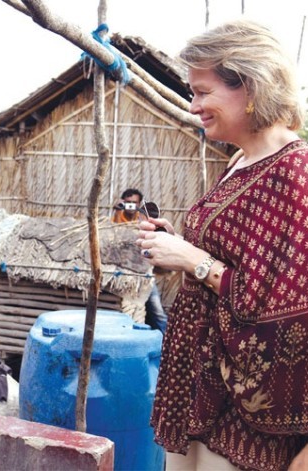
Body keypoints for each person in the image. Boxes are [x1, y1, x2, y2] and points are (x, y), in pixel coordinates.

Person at [136, 20, 308, 471]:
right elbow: (235, 256)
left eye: (203, 91)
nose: (193, 106)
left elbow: (284, 308)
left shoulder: (292, 173)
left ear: (249, 86)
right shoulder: (239, 159)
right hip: (198, 379)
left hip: (243, 404)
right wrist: (179, 245)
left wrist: (193, 261)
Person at [112, 188, 167, 333]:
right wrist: (117, 211)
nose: (131, 206)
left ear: (139, 204)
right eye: (127, 203)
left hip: (144, 275)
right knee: (126, 312)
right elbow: (113, 235)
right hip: (123, 275)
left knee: (158, 312)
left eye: (134, 203)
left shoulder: (144, 219)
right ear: (123, 202)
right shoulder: (117, 217)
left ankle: (164, 343)